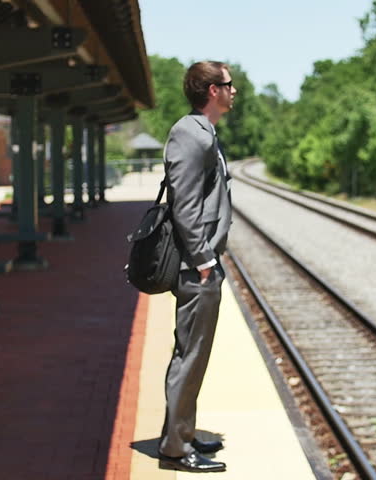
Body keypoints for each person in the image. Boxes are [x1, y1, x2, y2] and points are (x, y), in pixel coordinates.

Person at [157, 61, 236, 473]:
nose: (234, 90)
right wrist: (203, 260)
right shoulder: (189, 133)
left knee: (192, 353)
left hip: (201, 262)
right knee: (190, 355)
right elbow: (183, 201)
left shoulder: (205, 132)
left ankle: (181, 431)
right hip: (196, 265)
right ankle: (174, 448)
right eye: (228, 83)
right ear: (210, 90)